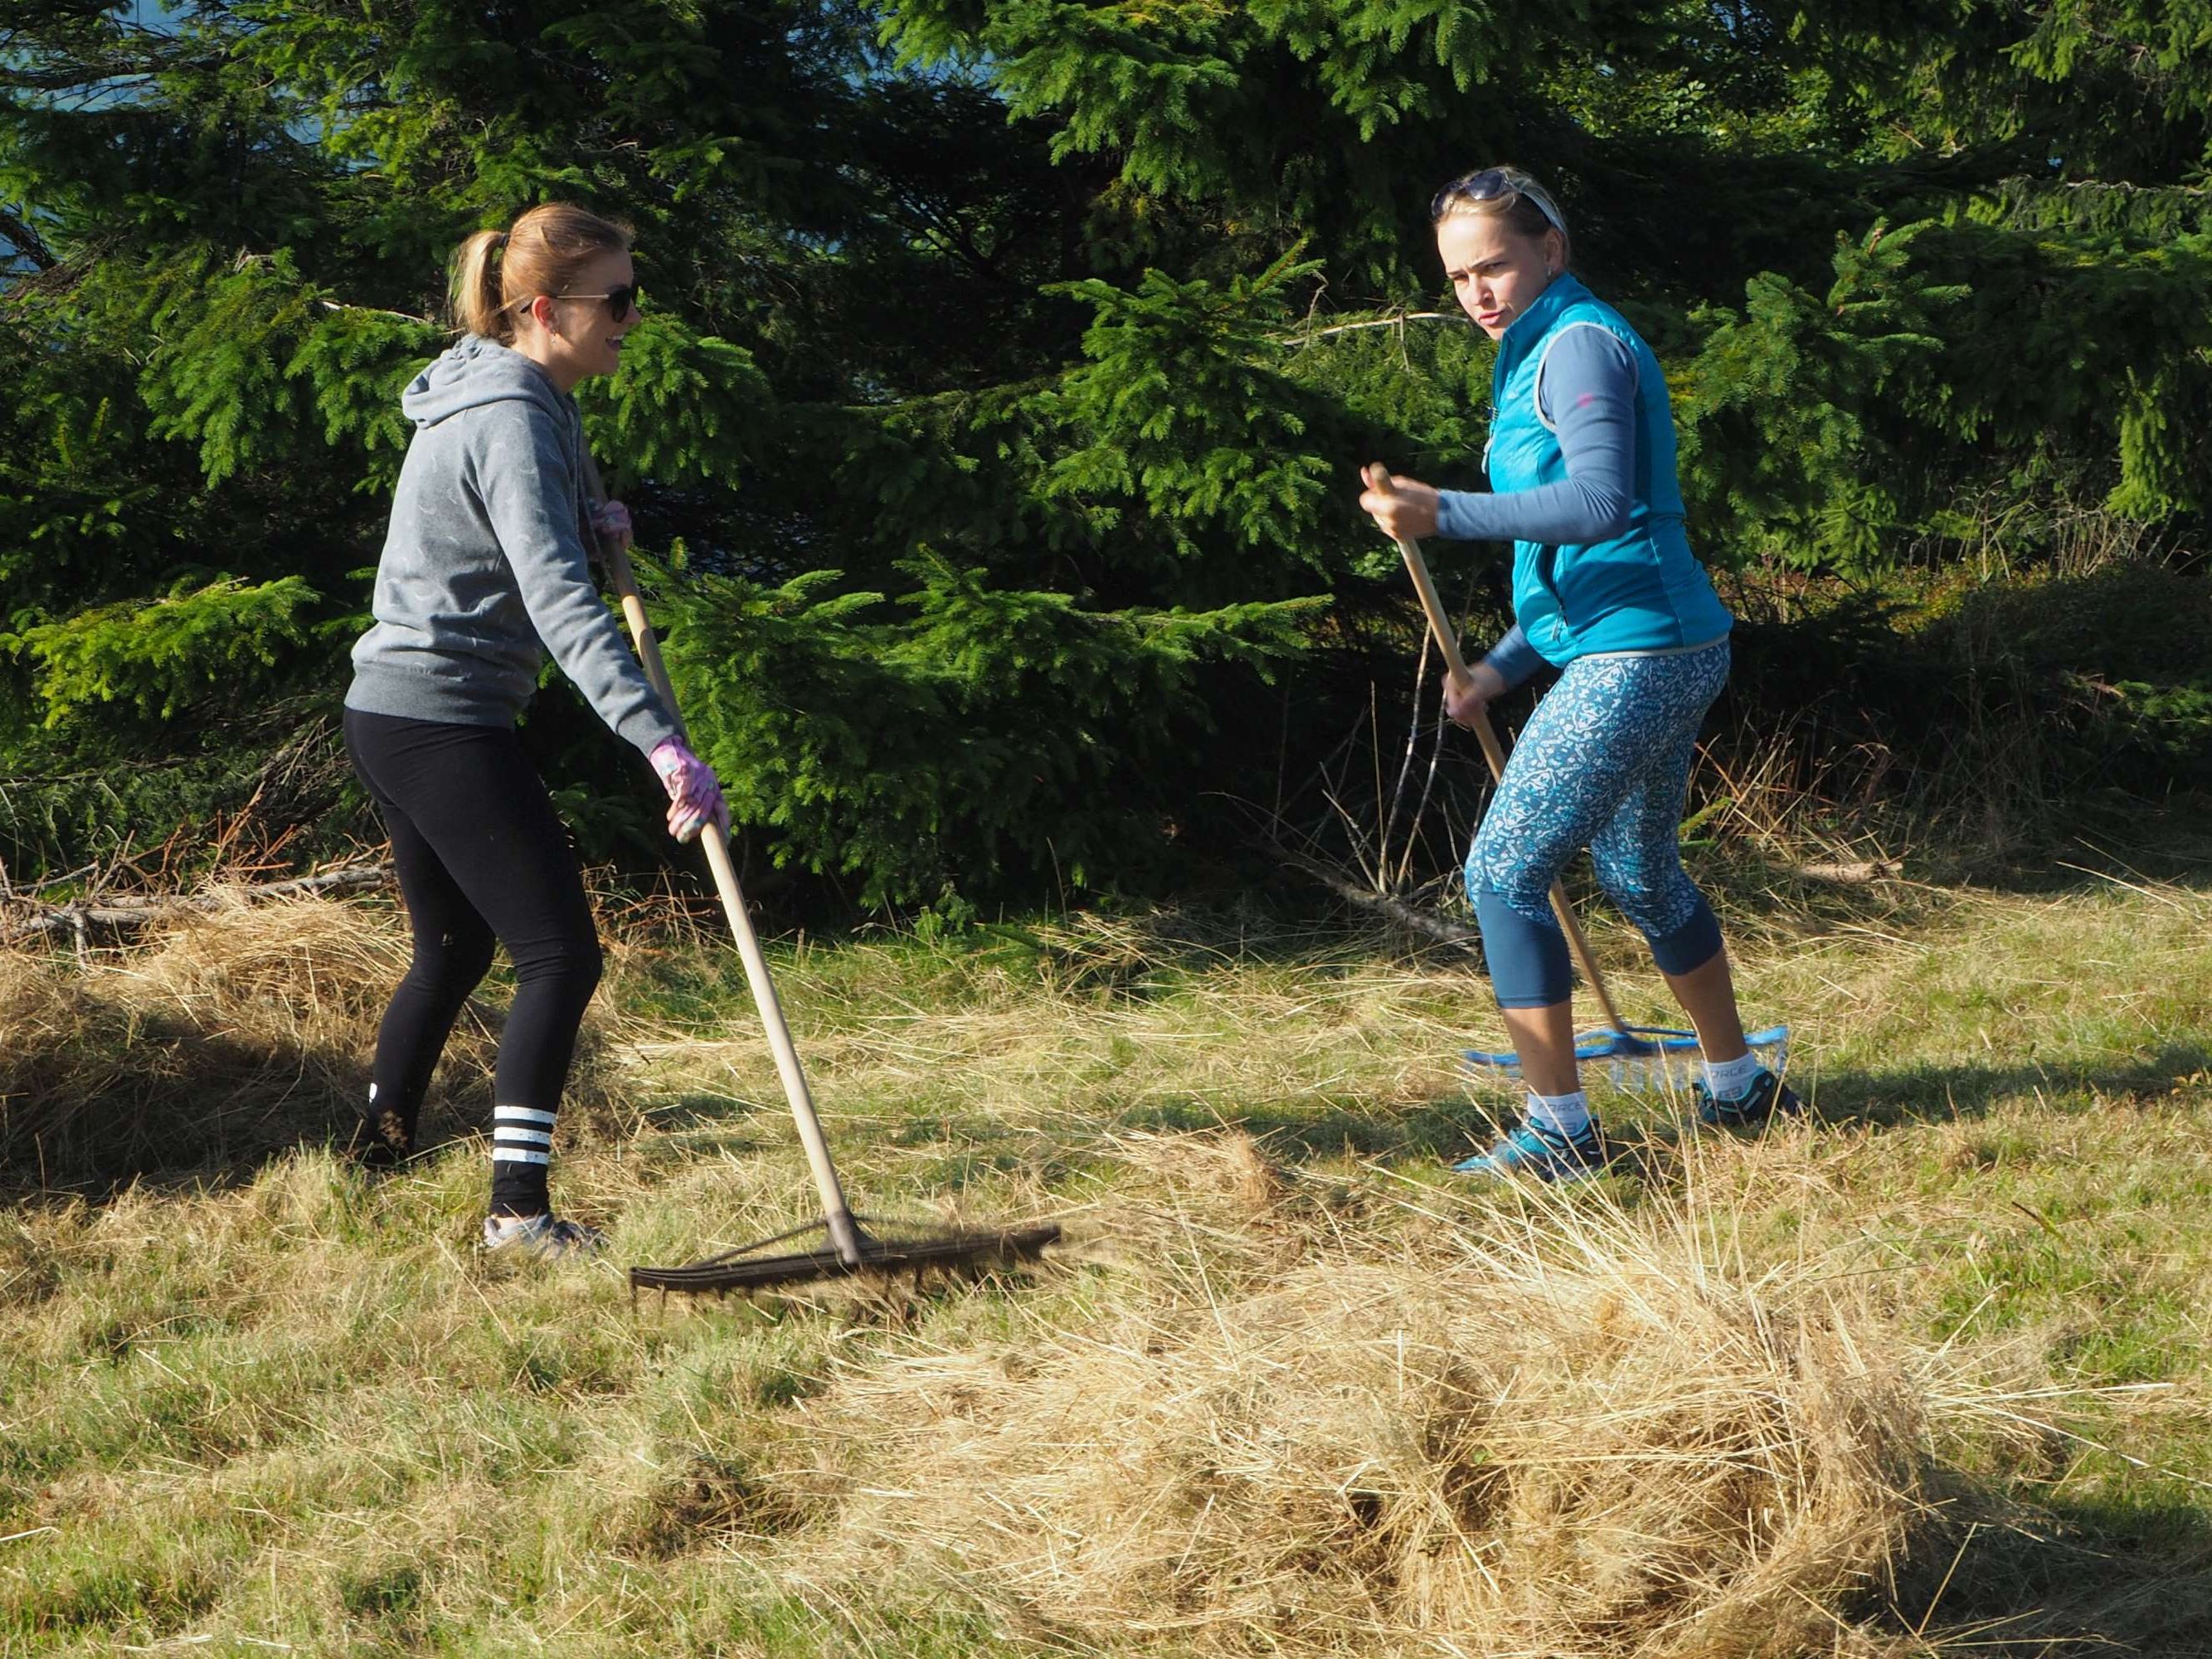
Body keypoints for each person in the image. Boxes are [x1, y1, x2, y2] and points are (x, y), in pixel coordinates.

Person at [1358, 165, 1799, 1181]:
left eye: (1496, 264)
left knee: (1502, 873)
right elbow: (1583, 571)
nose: (1478, 291)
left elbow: (1601, 505)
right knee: (1640, 870)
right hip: (1652, 642)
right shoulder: (1532, 353)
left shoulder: (1578, 345)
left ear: (1551, 248)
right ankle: (1737, 1082)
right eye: (1460, 276)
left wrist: (1446, 512)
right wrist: (1501, 667)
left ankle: (1561, 1128)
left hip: (1642, 654)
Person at [343, 203, 728, 1257]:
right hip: (439, 716)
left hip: (394, 708)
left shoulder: (528, 394)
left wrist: (581, 515)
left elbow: (505, 533)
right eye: (619, 300)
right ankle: (517, 1213)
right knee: (559, 953)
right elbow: (558, 605)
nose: (633, 319)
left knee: (458, 944)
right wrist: (659, 740)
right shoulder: (512, 411)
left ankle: (370, 1159)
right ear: (548, 308)